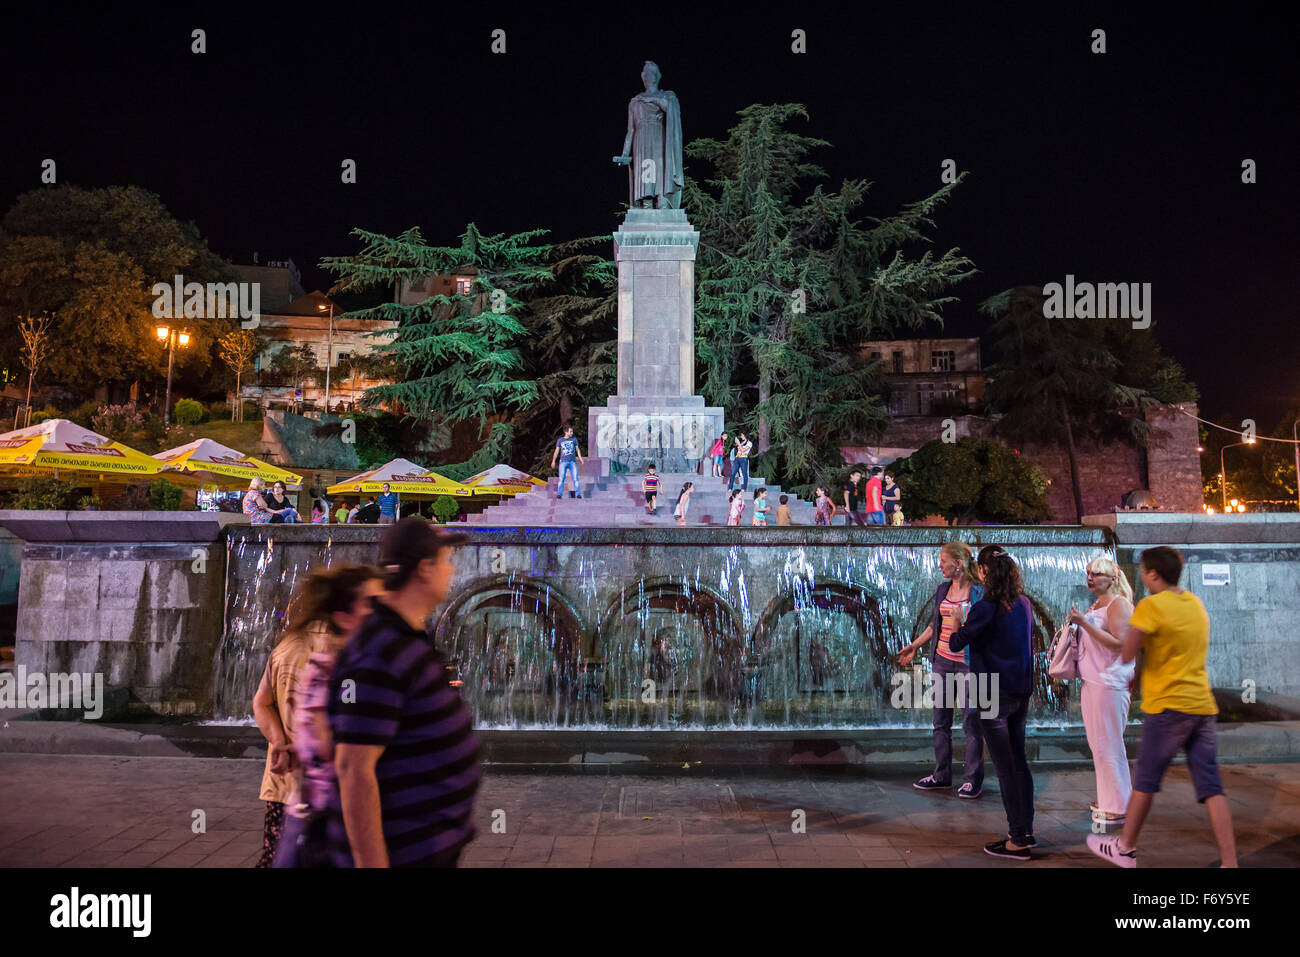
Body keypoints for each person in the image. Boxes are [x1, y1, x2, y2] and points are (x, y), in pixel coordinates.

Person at [327, 519, 482, 867]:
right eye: (445, 560)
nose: (452, 569)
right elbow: (353, 768)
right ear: (425, 569)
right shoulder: (379, 648)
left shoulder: (403, 638)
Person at [1087, 546, 1237, 869]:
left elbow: (1126, 653)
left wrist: (1138, 663)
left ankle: (1124, 848)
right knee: (1211, 786)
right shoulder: (1194, 604)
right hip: (1201, 706)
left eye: (1143, 571)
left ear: (1154, 575)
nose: (1140, 575)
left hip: (1167, 707)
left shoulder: (1150, 607)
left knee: (1145, 782)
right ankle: (1229, 861)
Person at [272, 565, 383, 868]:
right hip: (333, 831)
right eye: (370, 605)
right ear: (344, 618)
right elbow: (344, 759)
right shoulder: (338, 674)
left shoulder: (331, 667)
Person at [949, 546, 1036, 860]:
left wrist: (958, 620)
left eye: (979, 568)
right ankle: (1026, 830)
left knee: (1005, 769)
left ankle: (1017, 839)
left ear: (985, 571)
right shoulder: (1024, 604)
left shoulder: (985, 607)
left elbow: (956, 642)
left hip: (991, 693)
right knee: (1019, 762)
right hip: (1020, 691)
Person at [251, 574, 331, 866]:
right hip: (321, 786)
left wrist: (280, 742)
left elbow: (261, 702)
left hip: (281, 777)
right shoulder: (341, 649)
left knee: (277, 857)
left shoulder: (286, 645)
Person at [899, 541, 986, 800]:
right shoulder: (942, 590)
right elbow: (934, 625)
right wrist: (914, 646)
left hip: (970, 663)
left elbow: (987, 625)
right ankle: (941, 775)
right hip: (942, 661)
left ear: (958, 563)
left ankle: (972, 781)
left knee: (972, 722)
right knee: (940, 722)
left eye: (943, 560)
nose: (939, 565)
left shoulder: (979, 591)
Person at [1069, 556, 1136, 827]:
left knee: (1109, 745)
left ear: (1112, 578)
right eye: (1088, 573)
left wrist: (1083, 624)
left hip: (1109, 684)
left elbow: (1120, 645)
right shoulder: (1098, 603)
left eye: (1096, 573)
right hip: (1094, 681)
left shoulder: (1119, 605)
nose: (1090, 578)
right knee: (1099, 744)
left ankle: (1119, 806)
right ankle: (1109, 798)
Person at [551, 425, 584, 499]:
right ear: (566, 432)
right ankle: (559, 494)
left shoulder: (574, 439)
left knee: (575, 478)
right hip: (563, 462)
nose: (572, 433)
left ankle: (578, 494)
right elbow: (557, 451)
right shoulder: (560, 440)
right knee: (561, 479)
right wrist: (553, 461)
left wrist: (580, 458)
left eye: (572, 431)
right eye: (570, 431)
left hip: (572, 462)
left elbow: (577, 450)